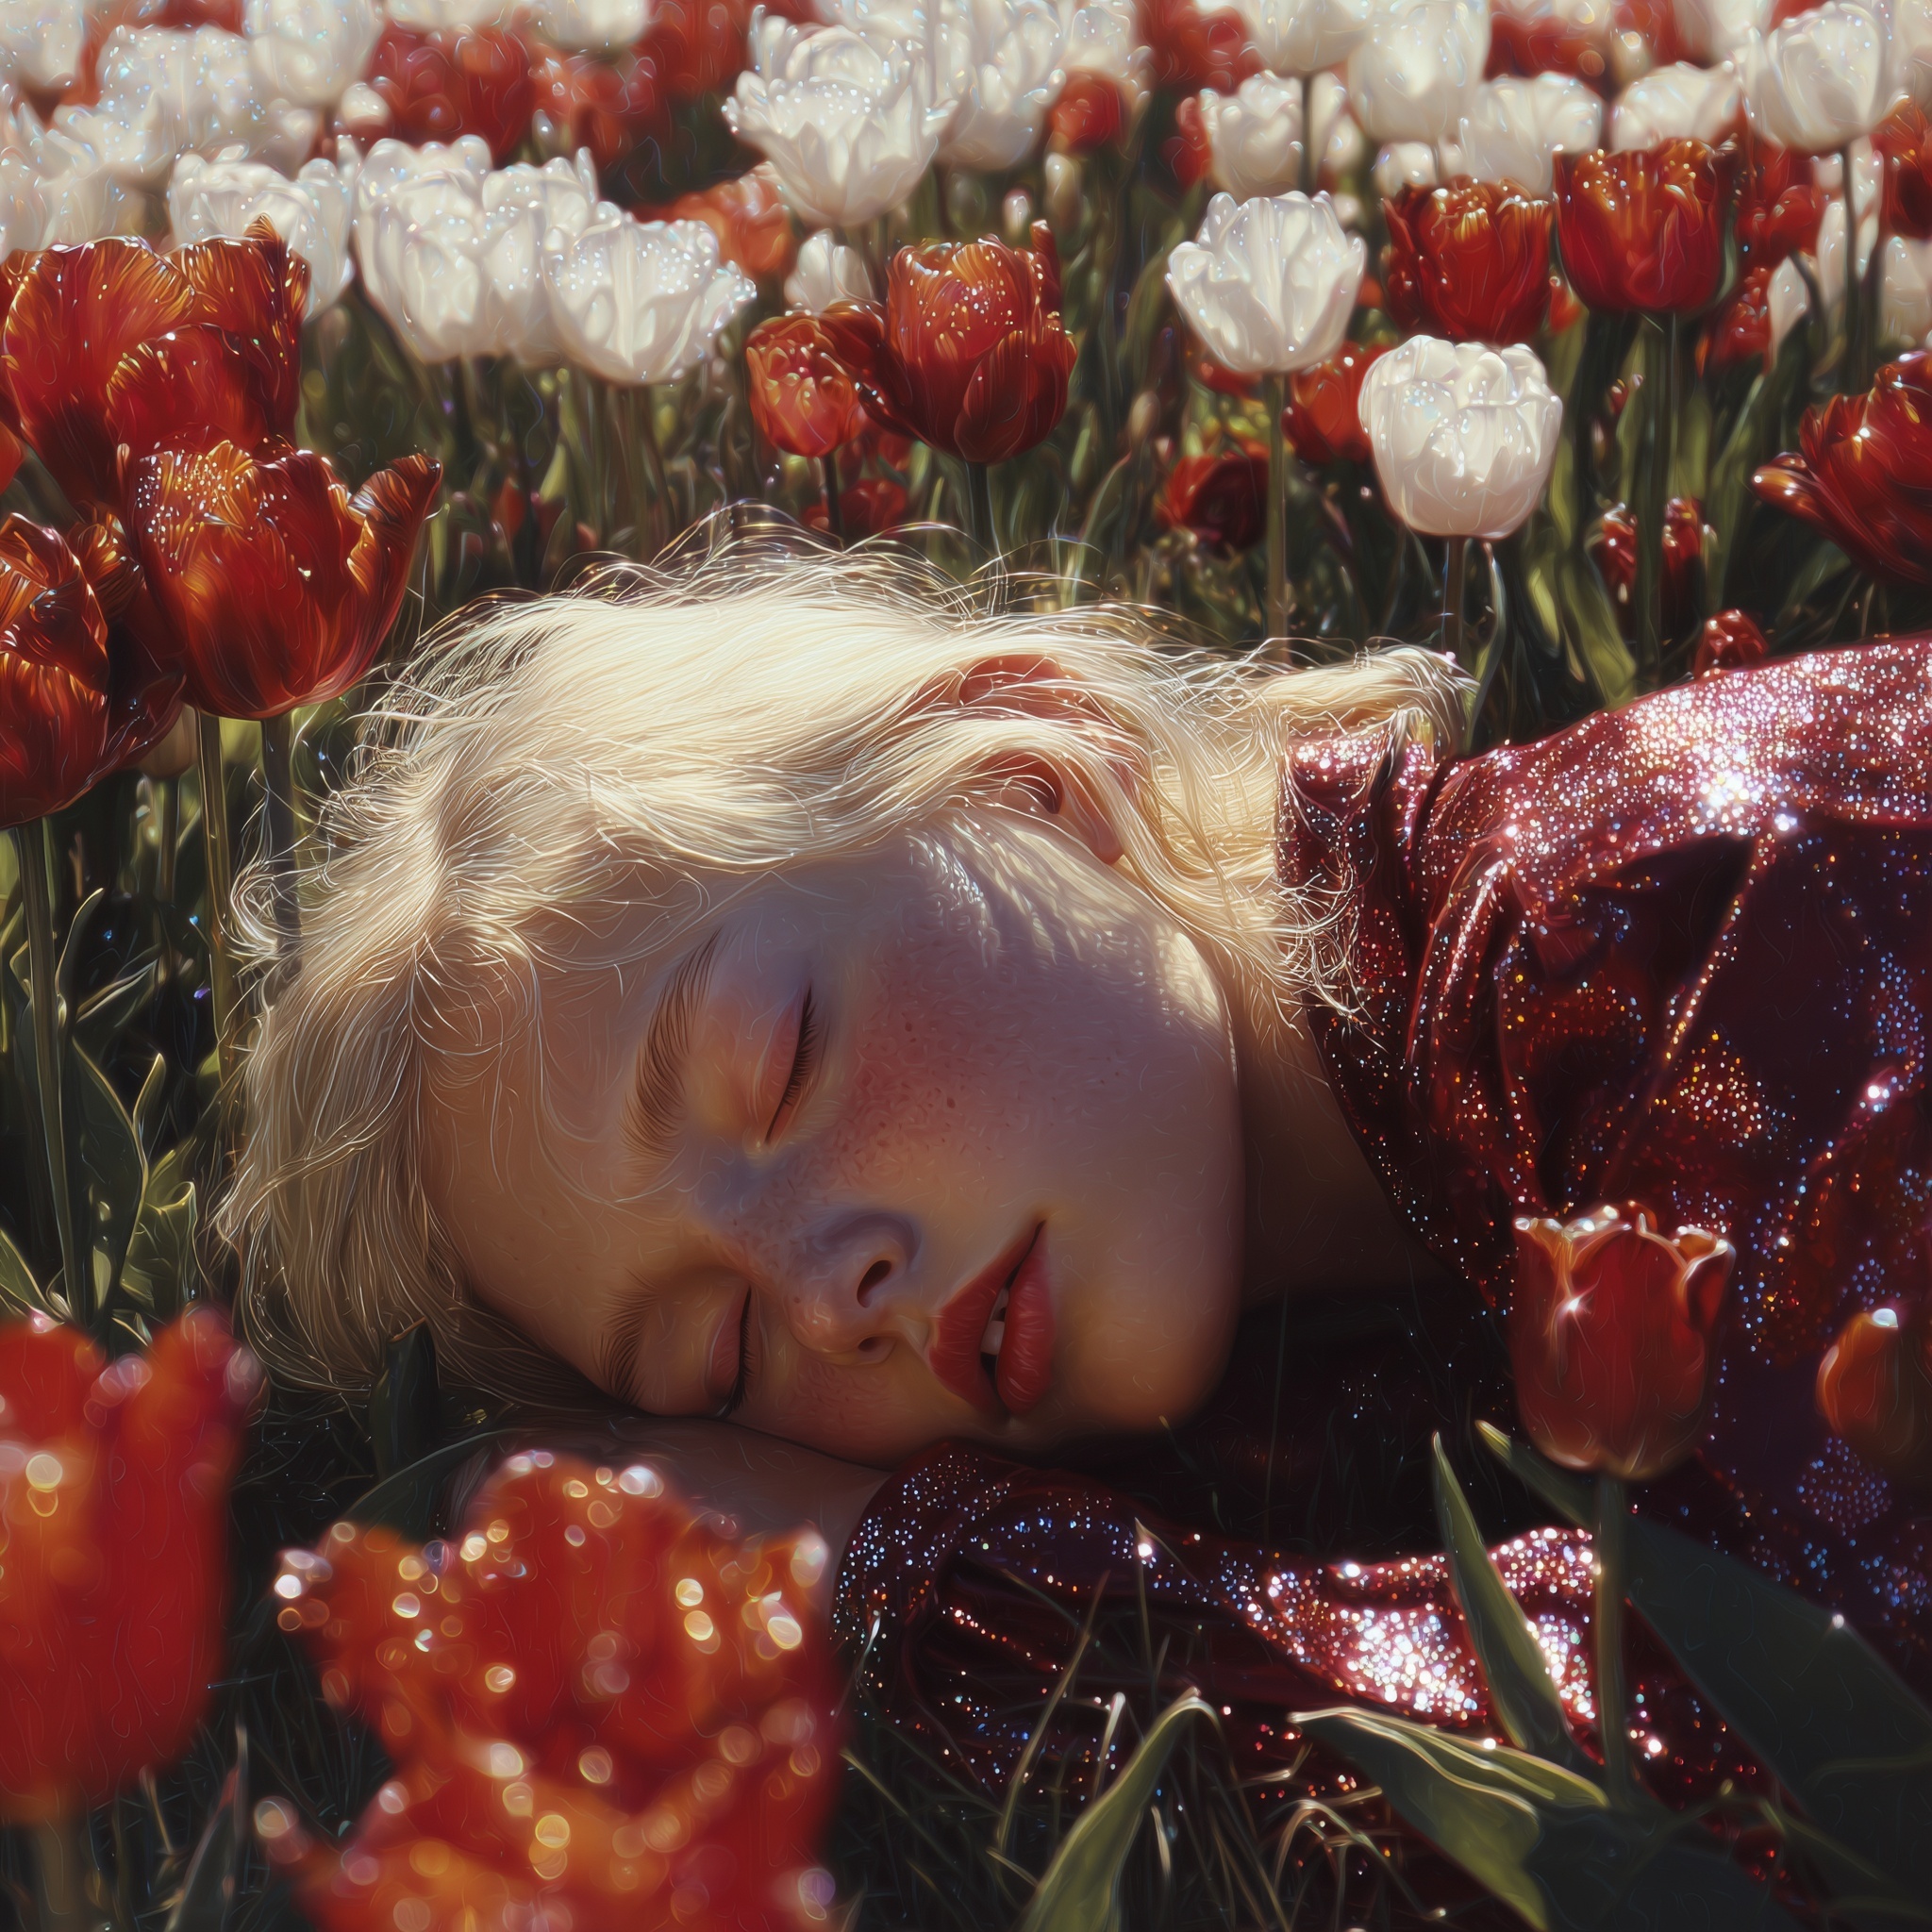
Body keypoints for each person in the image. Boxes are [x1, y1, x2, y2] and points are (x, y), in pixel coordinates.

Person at [224, 523, 1932, 1811]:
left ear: (1032, 776)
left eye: (782, 1058)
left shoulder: (1681, 913)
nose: (826, 1292)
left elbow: (1799, 1769)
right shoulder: (1267, 1365)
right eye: (719, 1358)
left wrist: (907, 1576)